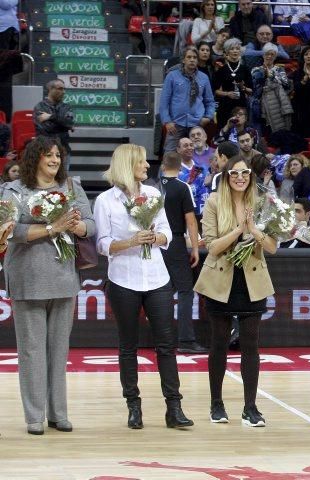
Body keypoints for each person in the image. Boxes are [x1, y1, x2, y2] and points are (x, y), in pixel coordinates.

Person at [95, 144, 194, 430]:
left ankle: (173, 408)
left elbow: (168, 234)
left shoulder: (152, 194)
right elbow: (102, 244)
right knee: (128, 346)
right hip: (122, 279)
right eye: (142, 162)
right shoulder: (105, 200)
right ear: (128, 164)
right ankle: (133, 407)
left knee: (166, 344)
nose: (148, 167)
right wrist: (131, 241)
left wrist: (155, 238)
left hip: (157, 278)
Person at [2, 136, 93, 435]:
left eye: (58, 155)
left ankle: (58, 413)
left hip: (64, 278)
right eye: (48, 155)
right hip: (28, 277)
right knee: (31, 351)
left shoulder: (71, 186)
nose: (54, 160)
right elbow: (11, 233)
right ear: (35, 158)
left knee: (59, 349)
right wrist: (53, 227)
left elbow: (90, 224)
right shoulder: (14, 189)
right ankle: (34, 416)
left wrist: (76, 226)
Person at [193, 156, 276, 427]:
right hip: (221, 279)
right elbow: (212, 246)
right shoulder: (214, 202)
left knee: (251, 344)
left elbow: (273, 247)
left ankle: (250, 408)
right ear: (227, 176)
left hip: (252, 280)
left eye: (245, 172)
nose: (240, 177)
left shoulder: (262, 202)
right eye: (234, 173)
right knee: (219, 343)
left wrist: (255, 232)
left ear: (251, 175)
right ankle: (216, 404)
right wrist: (240, 231)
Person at [159, 152, 204, 354]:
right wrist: (194, 248)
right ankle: (185, 340)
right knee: (185, 290)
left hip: (155, 243)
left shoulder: (152, 187)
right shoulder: (182, 187)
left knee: (161, 291)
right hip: (175, 242)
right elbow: (191, 221)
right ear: (179, 168)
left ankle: (162, 339)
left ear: (162, 166)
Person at [160, 47, 215, 155]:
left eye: (195, 57)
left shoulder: (204, 78)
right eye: (189, 57)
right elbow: (164, 102)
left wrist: (208, 117)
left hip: (196, 123)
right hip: (175, 124)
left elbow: (210, 101)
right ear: (183, 60)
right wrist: (167, 121)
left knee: (196, 154)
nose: (192, 60)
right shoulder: (172, 76)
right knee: (169, 155)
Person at [250, 44, 293, 138]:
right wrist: (264, 76)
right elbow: (254, 85)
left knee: (277, 132)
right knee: (261, 132)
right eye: (267, 54)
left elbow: (286, 84)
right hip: (261, 104)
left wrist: (272, 76)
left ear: (275, 56)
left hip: (276, 104)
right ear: (263, 55)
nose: (269, 56)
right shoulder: (256, 69)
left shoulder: (279, 69)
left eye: (272, 54)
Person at [33, 80, 75, 168]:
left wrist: (50, 117)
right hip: (45, 151)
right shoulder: (40, 107)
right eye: (60, 89)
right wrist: (64, 125)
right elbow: (46, 128)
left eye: (64, 89)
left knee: (62, 180)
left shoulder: (66, 107)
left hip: (63, 151)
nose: (64, 92)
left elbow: (69, 122)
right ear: (50, 89)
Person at [213, 38, 253, 130]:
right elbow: (215, 91)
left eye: (237, 48)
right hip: (225, 106)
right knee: (225, 131)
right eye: (232, 49)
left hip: (241, 106)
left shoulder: (245, 69)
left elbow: (251, 90)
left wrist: (243, 87)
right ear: (227, 51)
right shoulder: (221, 69)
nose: (235, 51)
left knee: (241, 132)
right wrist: (227, 94)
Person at [176, 137, 210, 218]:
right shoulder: (174, 169)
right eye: (185, 146)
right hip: (184, 213)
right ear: (178, 149)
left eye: (191, 145)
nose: (189, 148)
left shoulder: (203, 167)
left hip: (204, 212)